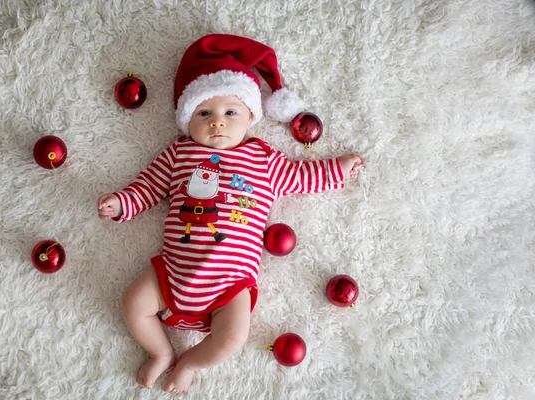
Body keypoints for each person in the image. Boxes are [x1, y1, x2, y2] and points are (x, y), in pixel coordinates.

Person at [97, 34, 364, 394]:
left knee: (234, 337)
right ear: (187, 119)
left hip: (230, 285)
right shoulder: (179, 153)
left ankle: (189, 363)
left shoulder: (263, 159)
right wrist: (121, 203)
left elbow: (301, 177)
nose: (217, 122)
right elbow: (148, 187)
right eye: (204, 113)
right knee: (133, 301)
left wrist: (337, 170)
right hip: (172, 274)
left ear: (251, 115)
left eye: (230, 112)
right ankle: (160, 351)